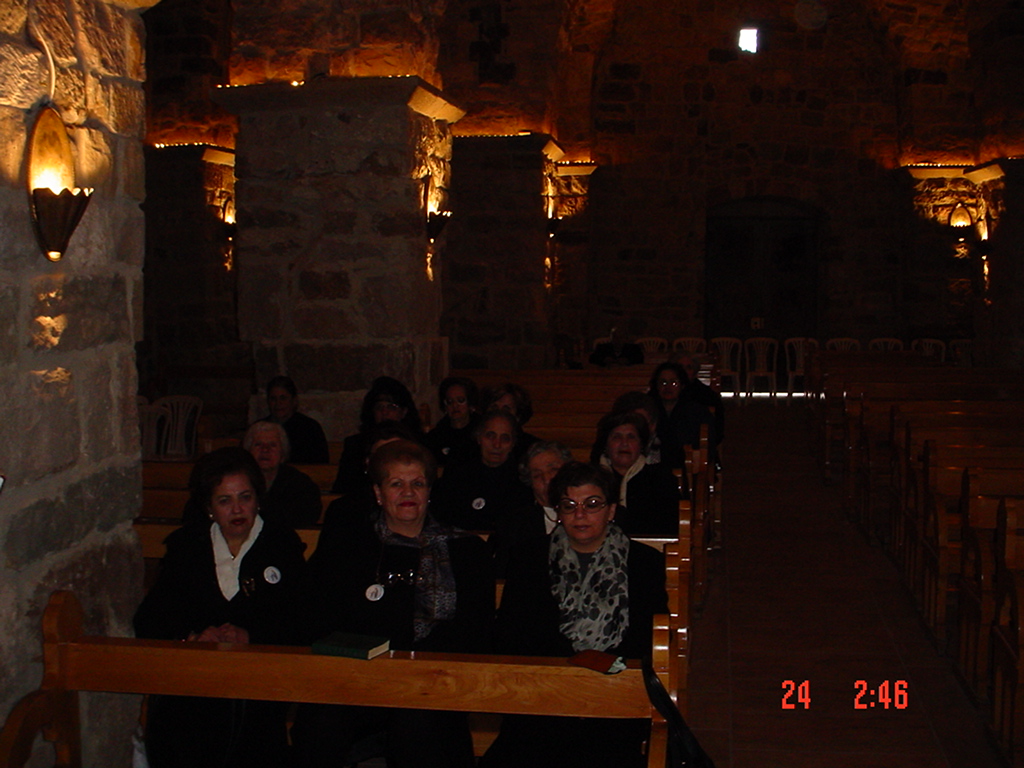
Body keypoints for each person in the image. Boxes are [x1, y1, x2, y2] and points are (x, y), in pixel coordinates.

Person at [292, 439, 493, 768]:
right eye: (396, 484)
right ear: (378, 493)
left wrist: (414, 670)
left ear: (429, 491)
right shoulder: (347, 546)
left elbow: (475, 629)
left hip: (432, 682)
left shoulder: (467, 551)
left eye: (418, 484)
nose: (408, 492)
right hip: (357, 679)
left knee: (419, 724)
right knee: (319, 722)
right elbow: (319, 616)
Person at [481, 462, 668, 768]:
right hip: (544, 696)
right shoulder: (529, 557)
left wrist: (602, 670)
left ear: (611, 510)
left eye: (592, 504)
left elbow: (646, 639)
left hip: (614, 697)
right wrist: (566, 670)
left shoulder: (644, 562)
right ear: (558, 512)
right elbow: (511, 632)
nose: (580, 515)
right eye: (569, 506)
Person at [134, 447, 308, 768]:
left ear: (258, 500)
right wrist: (193, 636)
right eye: (225, 501)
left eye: (245, 497)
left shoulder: (282, 545)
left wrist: (250, 636)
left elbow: (301, 620)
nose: (237, 509)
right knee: (179, 715)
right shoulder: (187, 546)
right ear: (209, 508)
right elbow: (152, 616)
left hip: (261, 672)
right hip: (196, 671)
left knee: (244, 717)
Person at [430, 408, 533, 531]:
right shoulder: (457, 474)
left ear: (513, 444)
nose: (497, 445)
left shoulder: (522, 483)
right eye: (490, 436)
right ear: (479, 438)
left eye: (505, 438)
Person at [490, 440, 574, 577]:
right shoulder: (514, 525)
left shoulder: (590, 515)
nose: (547, 479)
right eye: (537, 475)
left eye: (553, 470)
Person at [592, 410, 682, 537]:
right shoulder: (591, 479)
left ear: (641, 445)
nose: (624, 443)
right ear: (606, 445)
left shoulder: (662, 480)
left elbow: (669, 528)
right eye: (617, 437)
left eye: (631, 437)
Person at [332, 376, 423, 493]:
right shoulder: (356, 445)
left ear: (404, 412)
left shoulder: (418, 444)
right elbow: (344, 486)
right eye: (379, 407)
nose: (384, 412)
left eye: (391, 407)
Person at [243, 420, 322, 528]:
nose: (265, 450)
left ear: (283, 452)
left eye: (272, 445)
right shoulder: (238, 481)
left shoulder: (301, 484)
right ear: (248, 451)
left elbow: (305, 518)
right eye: (258, 444)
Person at [647, 361, 719, 470]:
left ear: (682, 385)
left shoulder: (696, 411)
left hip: (685, 467)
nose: (668, 387)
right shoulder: (648, 409)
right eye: (663, 383)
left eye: (674, 383)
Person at [262, 375, 330, 465]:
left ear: (293, 400)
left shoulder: (310, 428)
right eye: (273, 399)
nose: (278, 403)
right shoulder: (260, 428)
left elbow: (321, 463)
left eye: (283, 398)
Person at [423, 376, 480, 465]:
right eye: (449, 401)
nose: (455, 406)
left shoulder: (482, 431)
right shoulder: (436, 436)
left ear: (470, 403)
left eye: (460, 400)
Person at [481, 382, 540, 461]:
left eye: (506, 410)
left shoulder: (532, 448)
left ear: (518, 416)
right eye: (494, 408)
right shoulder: (472, 444)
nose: (499, 414)